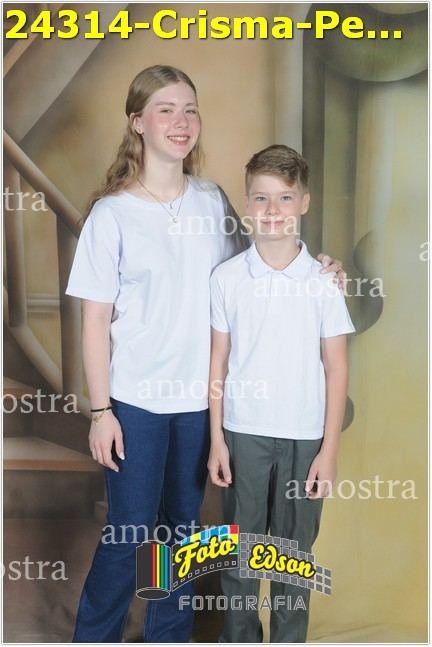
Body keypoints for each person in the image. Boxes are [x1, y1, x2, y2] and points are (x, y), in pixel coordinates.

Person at [66, 66, 347, 643]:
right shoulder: (111, 214)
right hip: (136, 403)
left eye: (189, 109)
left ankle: (167, 636)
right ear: (137, 122)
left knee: (185, 536)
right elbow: (94, 320)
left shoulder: (212, 200)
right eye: (165, 109)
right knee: (130, 533)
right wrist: (101, 411)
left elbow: (265, 256)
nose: (181, 121)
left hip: (201, 404)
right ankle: (94, 637)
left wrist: (323, 267)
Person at [208, 144, 355, 643]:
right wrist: (217, 440)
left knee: (293, 561)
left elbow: (336, 367)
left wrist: (329, 451)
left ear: (304, 203)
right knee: (240, 559)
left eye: (285, 198)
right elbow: (218, 361)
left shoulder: (323, 281)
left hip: (304, 438)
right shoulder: (227, 279)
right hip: (242, 433)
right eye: (261, 198)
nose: (273, 210)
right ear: (247, 203)